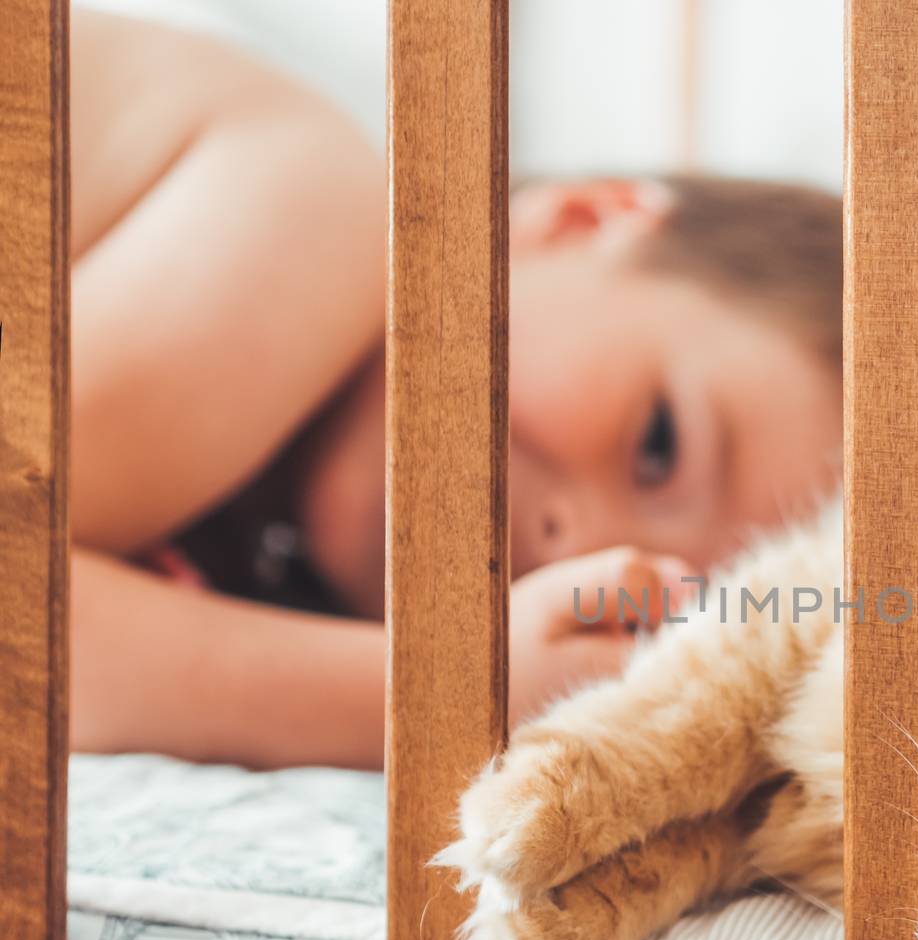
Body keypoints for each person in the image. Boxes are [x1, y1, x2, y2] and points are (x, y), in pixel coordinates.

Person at [70, 10, 845, 768]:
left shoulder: (246, 546)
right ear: (584, 223)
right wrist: (449, 696)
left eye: (648, 610)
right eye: (658, 443)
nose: (574, 554)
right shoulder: (314, 210)